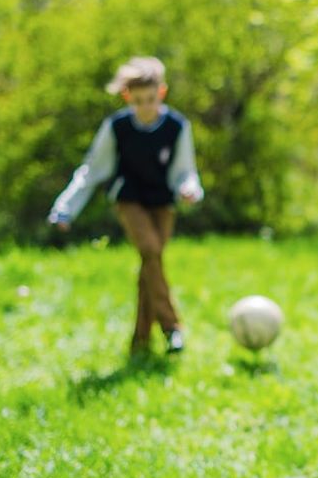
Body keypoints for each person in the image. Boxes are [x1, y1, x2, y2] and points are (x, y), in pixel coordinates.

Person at [48, 56, 203, 356]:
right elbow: (91, 170)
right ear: (127, 97)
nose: (146, 107)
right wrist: (65, 207)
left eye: (151, 99)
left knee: (151, 264)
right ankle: (173, 328)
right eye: (139, 101)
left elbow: (186, 171)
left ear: (162, 92)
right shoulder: (117, 127)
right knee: (150, 250)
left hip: (162, 203)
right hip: (129, 198)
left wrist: (190, 189)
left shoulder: (177, 126)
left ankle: (140, 342)